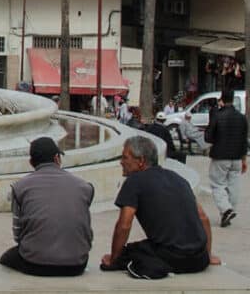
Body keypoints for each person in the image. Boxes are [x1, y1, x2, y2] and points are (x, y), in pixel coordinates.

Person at [101, 136, 219, 279]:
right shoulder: (178, 178)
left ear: (141, 161)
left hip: (172, 257)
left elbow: (124, 225)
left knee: (129, 252)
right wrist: (208, 255)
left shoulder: (134, 182)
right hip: (199, 259)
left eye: (125, 157)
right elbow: (203, 218)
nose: (121, 162)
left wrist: (114, 259)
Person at [0, 137, 93, 276]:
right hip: (77, 264)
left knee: (6, 258)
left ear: (31, 162)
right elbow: (84, 227)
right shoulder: (85, 187)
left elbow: (18, 235)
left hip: (35, 263)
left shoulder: (20, 188)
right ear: (57, 158)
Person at [204, 87, 248, 227]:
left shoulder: (217, 115)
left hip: (220, 156)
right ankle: (228, 211)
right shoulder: (241, 118)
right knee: (234, 185)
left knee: (217, 184)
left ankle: (226, 209)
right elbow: (244, 140)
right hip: (236, 157)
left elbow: (208, 137)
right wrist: (243, 159)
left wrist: (213, 114)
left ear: (221, 99)